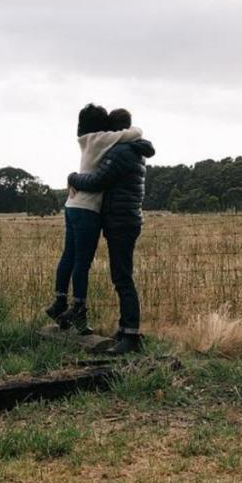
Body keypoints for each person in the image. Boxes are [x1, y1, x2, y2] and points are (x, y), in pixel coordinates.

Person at [47, 104, 142, 335]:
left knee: (68, 256)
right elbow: (131, 133)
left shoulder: (86, 140)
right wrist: (138, 134)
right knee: (83, 262)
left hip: (72, 206)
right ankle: (79, 308)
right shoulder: (104, 140)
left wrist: (71, 177)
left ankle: (60, 302)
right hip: (88, 208)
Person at [65, 108, 154, 354]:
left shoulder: (121, 152)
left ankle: (131, 336)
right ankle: (126, 330)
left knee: (123, 278)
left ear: (116, 132)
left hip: (120, 221)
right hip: (124, 220)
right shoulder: (133, 150)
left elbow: (96, 181)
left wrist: (73, 177)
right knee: (121, 277)